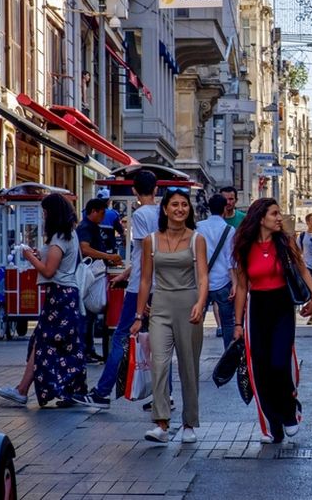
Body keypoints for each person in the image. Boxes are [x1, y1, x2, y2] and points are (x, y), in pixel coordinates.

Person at [232, 198, 312, 444]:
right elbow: (241, 288)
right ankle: (273, 425)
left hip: (281, 306)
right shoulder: (244, 247)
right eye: (275, 214)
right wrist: (238, 324)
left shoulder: (286, 242)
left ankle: (290, 412)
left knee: (279, 364)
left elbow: (302, 269)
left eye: (279, 213)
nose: (280, 218)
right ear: (261, 218)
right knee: (261, 370)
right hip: (257, 308)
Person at [73, 171, 160, 409]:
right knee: (160, 340)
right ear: (155, 189)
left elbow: (145, 255)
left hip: (140, 288)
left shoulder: (141, 214)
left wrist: (133, 276)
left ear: (134, 191)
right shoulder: (162, 212)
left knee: (121, 338)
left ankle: (102, 392)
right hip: (157, 285)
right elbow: (148, 255)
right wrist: (127, 272)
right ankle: (165, 394)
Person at [131, 189, 209, 444]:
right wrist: (138, 314)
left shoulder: (197, 238)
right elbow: (144, 280)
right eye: (174, 204)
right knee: (159, 364)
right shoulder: (150, 241)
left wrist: (200, 302)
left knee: (189, 366)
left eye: (184, 205)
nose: (180, 209)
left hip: (189, 305)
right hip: (161, 306)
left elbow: (203, 276)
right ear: (164, 209)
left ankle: (189, 423)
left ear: (189, 209)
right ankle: (161, 423)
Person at [0, 194, 86, 408]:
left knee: (45, 342)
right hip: (64, 296)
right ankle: (25, 389)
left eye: (45, 212)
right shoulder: (68, 234)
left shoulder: (60, 237)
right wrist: (39, 254)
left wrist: (30, 257)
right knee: (44, 342)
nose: (44, 216)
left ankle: (24, 390)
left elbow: (48, 269)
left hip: (61, 297)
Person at [77, 198, 123, 363]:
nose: (103, 217)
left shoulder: (94, 227)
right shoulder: (85, 227)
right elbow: (85, 248)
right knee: (86, 315)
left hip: (95, 275)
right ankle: (83, 351)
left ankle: (89, 350)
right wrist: (108, 256)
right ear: (93, 211)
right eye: (102, 213)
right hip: (88, 277)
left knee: (91, 315)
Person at [196, 194, 236, 350]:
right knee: (228, 323)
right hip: (223, 282)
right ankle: (228, 355)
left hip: (201, 282)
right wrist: (235, 283)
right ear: (225, 209)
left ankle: (194, 353)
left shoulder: (198, 227)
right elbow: (230, 259)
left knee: (197, 321)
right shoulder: (229, 229)